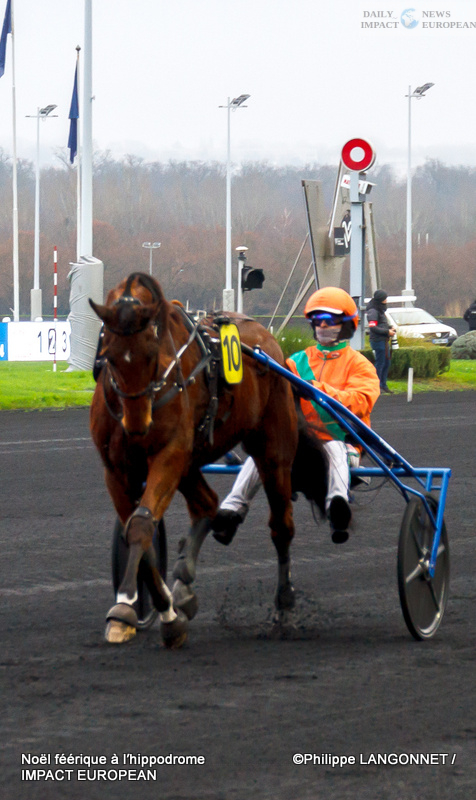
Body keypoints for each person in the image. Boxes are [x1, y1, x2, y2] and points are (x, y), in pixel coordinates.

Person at [212, 287, 381, 546]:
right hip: (298, 442)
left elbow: (361, 401)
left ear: (346, 324)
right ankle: (231, 512)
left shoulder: (359, 365)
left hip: (342, 443)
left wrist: (316, 389)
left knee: (334, 448)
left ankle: (338, 507)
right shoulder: (296, 361)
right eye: (317, 320)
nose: (322, 325)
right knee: (263, 450)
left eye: (329, 320)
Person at [366, 289, 396, 394]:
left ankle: (383, 385)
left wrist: (389, 327)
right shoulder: (373, 311)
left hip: (383, 340)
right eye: (385, 298)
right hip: (377, 341)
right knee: (380, 363)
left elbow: (381, 324)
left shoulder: (379, 309)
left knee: (386, 363)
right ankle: (376, 386)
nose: (386, 300)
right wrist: (387, 331)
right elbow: (373, 327)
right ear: (381, 299)